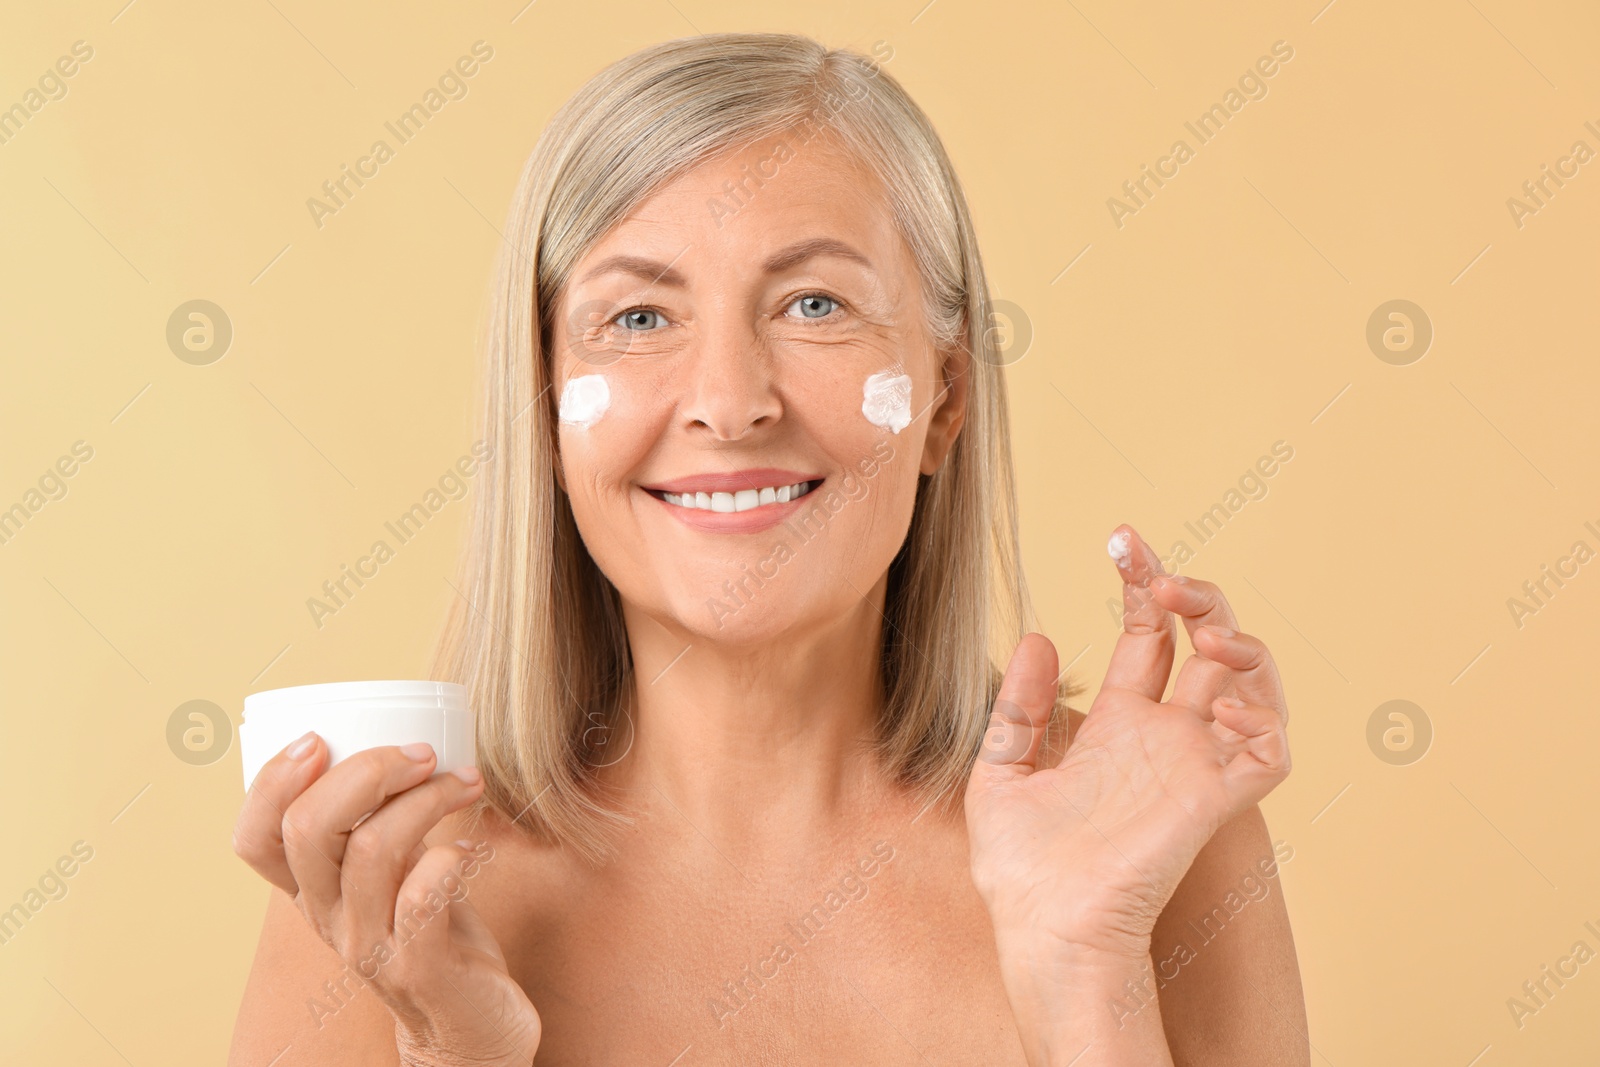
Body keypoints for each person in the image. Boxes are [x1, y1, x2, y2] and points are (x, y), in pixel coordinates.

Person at [230, 32, 1307, 1066]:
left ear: (944, 400)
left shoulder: (1153, 847)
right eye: (641, 318)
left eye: (814, 303)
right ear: (546, 409)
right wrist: (453, 1047)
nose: (729, 402)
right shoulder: (388, 890)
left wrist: (1081, 977)